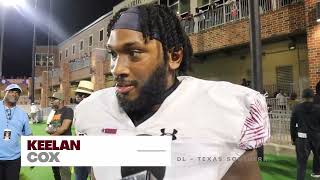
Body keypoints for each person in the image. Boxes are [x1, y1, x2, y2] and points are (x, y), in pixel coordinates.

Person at [74, 4, 270, 180]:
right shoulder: (93, 110)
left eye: (134, 53)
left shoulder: (226, 109)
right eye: (114, 54)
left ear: (174, 56)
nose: (117, 69)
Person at [0, 84, 32, 180]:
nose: (14, 94)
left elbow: (28, 135)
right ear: (5, 92)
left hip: (14, 159)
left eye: (17, 93)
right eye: (11, 91)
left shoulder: (22, 114)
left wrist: (32, 155)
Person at [290, 88, 320, 179]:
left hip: (301, 138)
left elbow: (292, 124)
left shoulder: (297, 108)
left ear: (302, 97)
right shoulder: (318, 108)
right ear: (312, 96)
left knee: (301, 163)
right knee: (318, 156)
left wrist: (293, 138)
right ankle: (316, 172)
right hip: (317, 137)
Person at [47, 92, 73, 180]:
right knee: (55, 168)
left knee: (64, 169)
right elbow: (50, 128)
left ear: (60, 101)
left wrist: (52, 133)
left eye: (54, 99)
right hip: (55, 143)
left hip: (64, 143)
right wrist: (52, 130)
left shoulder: (68, 110)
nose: (51, 101)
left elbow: (64, 128)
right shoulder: (55, 112)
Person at [73, 80, 94, 180]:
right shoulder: (77, 109)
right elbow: (76, 130)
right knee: (79, 176)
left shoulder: (97, 110)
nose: (78, 97)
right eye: (78, 94)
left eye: (81, 95)